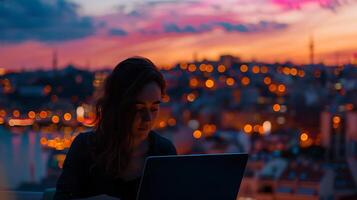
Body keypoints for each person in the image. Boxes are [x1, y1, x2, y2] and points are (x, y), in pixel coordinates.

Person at [54, 57, 177, 200]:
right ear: (117, 106)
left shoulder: (164, 151)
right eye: (139, 109)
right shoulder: (84, 148)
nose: (148, 118)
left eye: (154, 108)